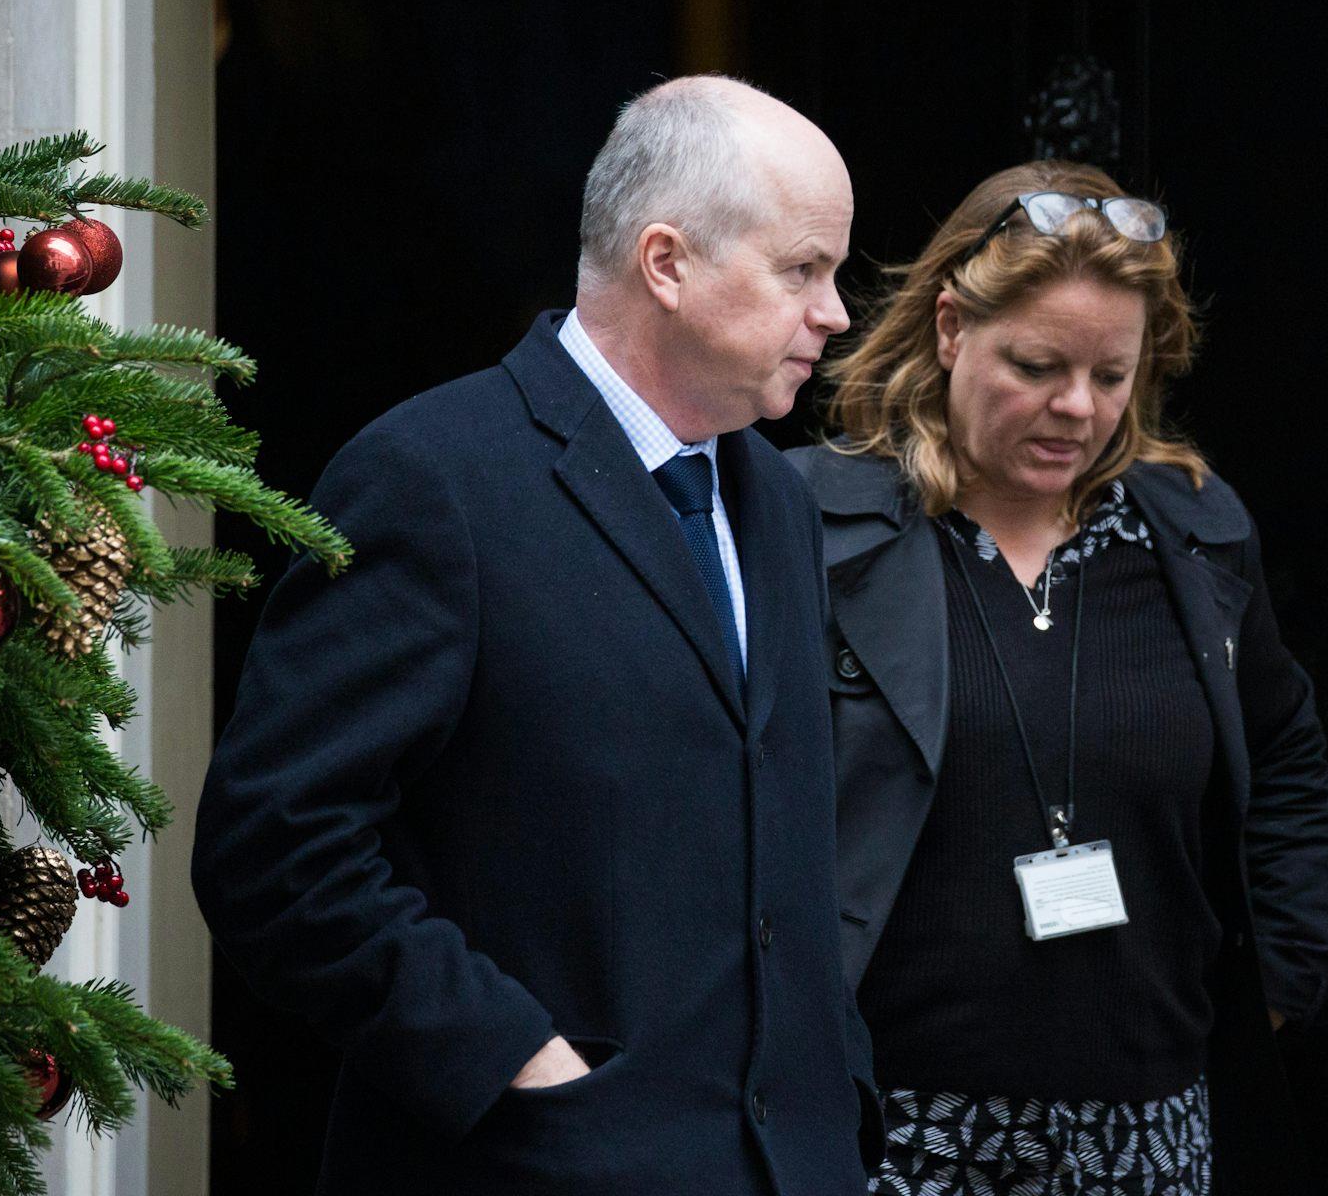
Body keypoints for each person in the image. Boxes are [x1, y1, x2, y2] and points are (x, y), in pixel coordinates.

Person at [194, 75, 879, 1194]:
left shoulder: (778, 501)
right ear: (668, 263)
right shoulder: (435, 477)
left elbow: (782, 842)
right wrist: (515, 1062)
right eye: (803, 269)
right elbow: (275, 847)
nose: (835, 312)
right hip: (532, 1163)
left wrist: (838, 1084)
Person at [787, 161, 1328, 1196]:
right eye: (1037, 365)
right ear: (951, 328)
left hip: (1152, 1142)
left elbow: (1285, 758)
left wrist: (1280, 979)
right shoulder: (810, 530)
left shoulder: (1198, 535)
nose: (1077, 408)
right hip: (894, 1143)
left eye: (1112, 374)